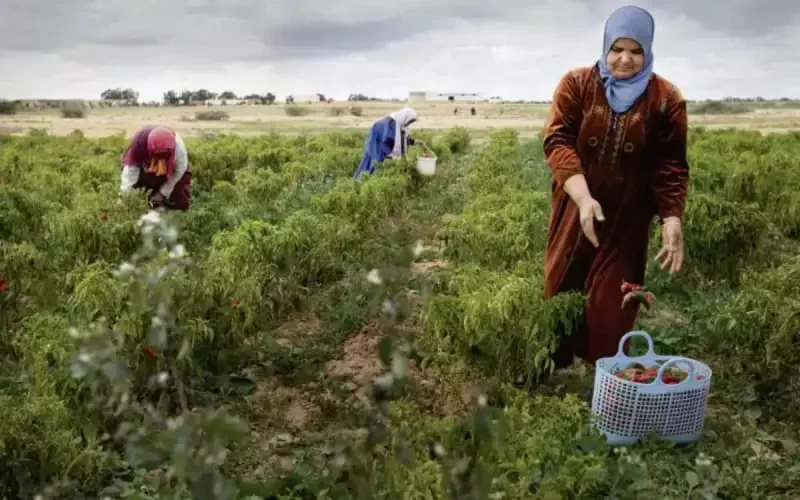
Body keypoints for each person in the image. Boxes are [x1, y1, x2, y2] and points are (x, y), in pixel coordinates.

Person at [542, 5, 689, 367]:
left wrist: (671, 219)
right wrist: (583, 198)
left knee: (614, 302)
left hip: (627, 220)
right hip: (575, 211)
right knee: (561, 287)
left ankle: (604, 374)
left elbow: (670, 165)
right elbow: (558, 141)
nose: (625, 59)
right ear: (605, 47)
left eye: (636, 51)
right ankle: (554, 366)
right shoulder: (577, 84)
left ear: (648, 51)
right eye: (617, 49)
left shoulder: (666, 99)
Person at [119, 125, 192, 211]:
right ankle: (147, 208)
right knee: (138, 191)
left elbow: (178, 172)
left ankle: (172, 213)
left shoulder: (179, 148)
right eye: (158, 155)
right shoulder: (139, 143)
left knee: (179, 198)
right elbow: (130, 174)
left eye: (165, 154)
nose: (160, 159)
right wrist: (124, 197)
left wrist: (162, 193)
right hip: (145, 169)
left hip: (171, 171)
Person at [353, 107, 417, 180]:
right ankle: (365, 182)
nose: (409, 123)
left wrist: (414, 141)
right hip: (377, 141)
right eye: (410, 121)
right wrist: (392, 155)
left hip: (382, 141)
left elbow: (403, 138)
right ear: (406, 118)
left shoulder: (401, 125)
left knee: (381, 163)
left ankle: (367, 180)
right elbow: (384, 143)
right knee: (377, 162)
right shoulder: (392, 124)